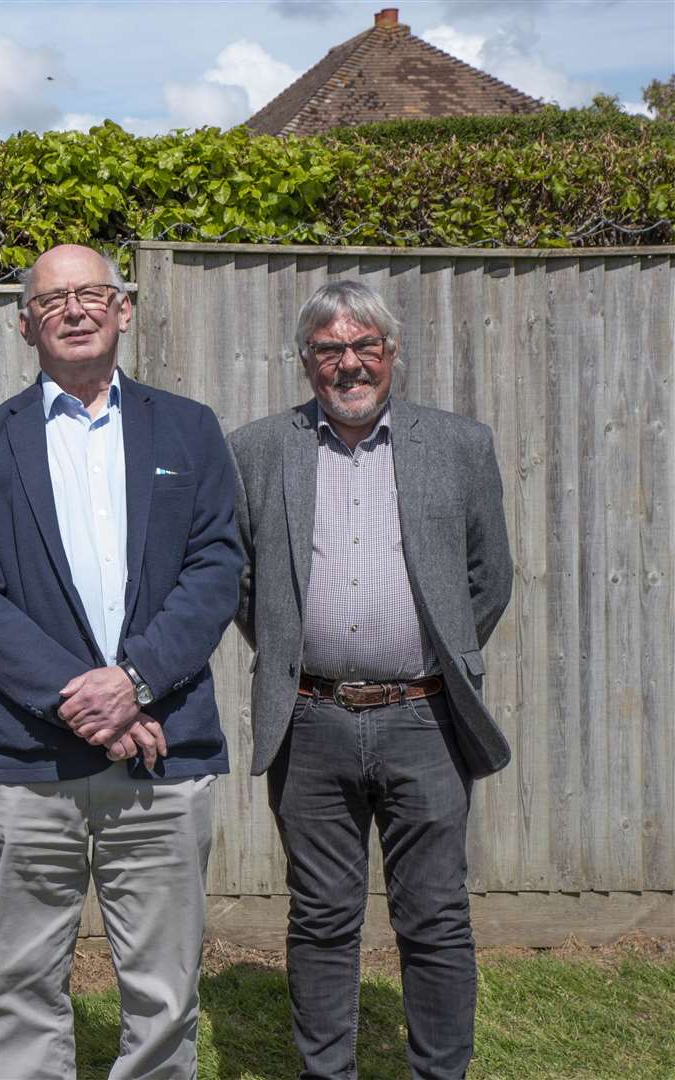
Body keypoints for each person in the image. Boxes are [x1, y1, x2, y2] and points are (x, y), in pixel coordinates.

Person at [0, 244, 242, 1078]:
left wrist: (134, 681)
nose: (74, 310)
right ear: (24, 323)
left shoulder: (188, 429)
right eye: (53, 299)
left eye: (91, 294)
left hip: (164, 753)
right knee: (20, 983)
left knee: (163, 989)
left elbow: (215, 569)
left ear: (124, 308)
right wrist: (84, 700)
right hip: (29, 764)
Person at [228, 280, 513, 1080]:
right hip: (310, 719)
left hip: (424, 718)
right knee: (321, 919)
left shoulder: (459, 445)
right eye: (329, 350)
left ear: (391, 355)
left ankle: (439, 1072)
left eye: (364, 347)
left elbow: (488, 579)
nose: (348, 364)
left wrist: (436, 653)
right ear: (306, 361)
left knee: (435, 917)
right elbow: (246, 585)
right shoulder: (258, 449)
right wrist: (294, 653)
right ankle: (329, 1073)